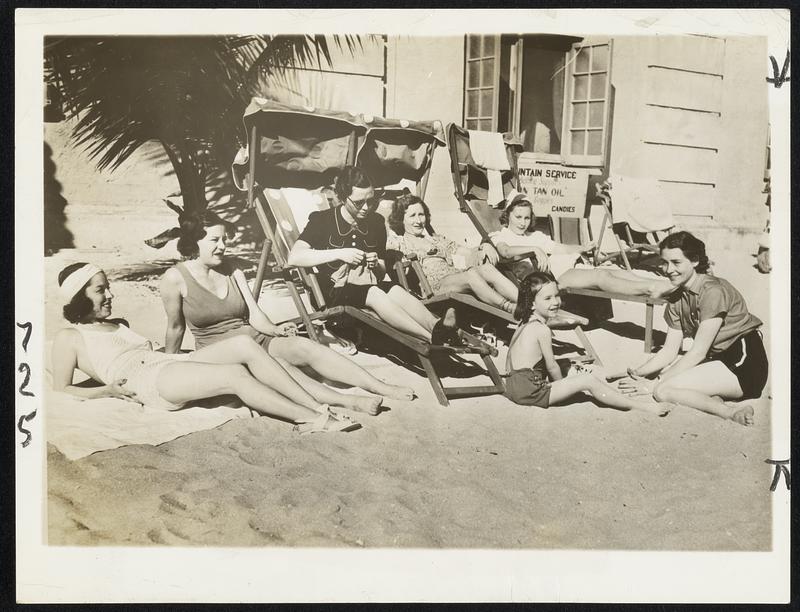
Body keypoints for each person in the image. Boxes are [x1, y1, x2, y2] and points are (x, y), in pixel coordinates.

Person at [52, 262, 360, 434]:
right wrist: (103, 392)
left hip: (161, 364)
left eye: (108, 287)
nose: (109, 295)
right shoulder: (70, 336)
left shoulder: (119, 324)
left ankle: (319, 407)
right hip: (143, 381)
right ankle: (310, 419)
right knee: (234, 375)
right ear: (79, 297)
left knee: (243, 344)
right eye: (100, 289)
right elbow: (61, 388)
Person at [159, 210, 416, 415]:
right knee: (280, 366)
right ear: (194, 242)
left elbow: (254, 313)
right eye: (215, 240)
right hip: (217, 350)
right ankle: (345, 401)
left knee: (305, 347)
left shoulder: (231, 268)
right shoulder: (174, 278)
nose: (223, 246)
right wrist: (170, 365)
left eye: (225, 239)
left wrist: (274, 330)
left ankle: (378, 386)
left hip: (252, 339)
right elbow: (175, 328)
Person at [287, 166, 462, 344]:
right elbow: (295, 257)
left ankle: (437, 326)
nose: (366, 208)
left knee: (394, 289)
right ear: (342, 197)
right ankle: (430, 337)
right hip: (333, 291)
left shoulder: (376, 222)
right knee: (375, 292)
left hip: (368, 282)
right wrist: (340, 253)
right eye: (358, 202)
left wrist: (375, 263)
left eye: (371, 201)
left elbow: (381, 271)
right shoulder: (322, 220)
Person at [618, 231, 768, 426]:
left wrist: (655, 382)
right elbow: (669, 350)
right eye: (664, 262)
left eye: (676, 262)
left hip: (745, 363)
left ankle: (730, 412)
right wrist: (638, 373)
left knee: (662, 390)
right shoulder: (676, 298)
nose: (668, 269)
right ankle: (719, 400)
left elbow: (698, 352)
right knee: (669, 384)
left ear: (695, 261)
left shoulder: (712, 291)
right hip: (720, 360)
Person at [504, 271, 669, 416]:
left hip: (513, 386)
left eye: (557, 295)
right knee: (587, 380)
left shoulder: (525, 323)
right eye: (548, 298)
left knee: (568, 364)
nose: (555, 302)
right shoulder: (542, 331)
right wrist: (564, 387)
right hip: (530, 392)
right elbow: (552, 367)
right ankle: (640, 406)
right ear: (532, 304)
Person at [491, 192, 674, 298]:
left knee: (615, 271)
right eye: (518, 217)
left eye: (527, 217)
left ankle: (659, 284)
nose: (523, 222)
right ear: (508, 216)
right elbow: (504, 251)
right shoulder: (502, 235)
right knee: (601, 276)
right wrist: (533, 249)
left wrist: (581, 248)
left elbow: (559, 248)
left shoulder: (535, 235)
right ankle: (650, 288)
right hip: (551, 278)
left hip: (562, 266)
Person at [386, 194, 519, 313]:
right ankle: (508, 307)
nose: (419, 221)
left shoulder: (436, 239)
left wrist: (484, 246)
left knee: (487, 269)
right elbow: (394, 263)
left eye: (421, 215)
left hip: (455, 277)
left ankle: (525, 302)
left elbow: (467, 252)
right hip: (433, 287)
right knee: (471, 275)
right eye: (412, 216)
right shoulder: (400, 243)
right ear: (401, 220)